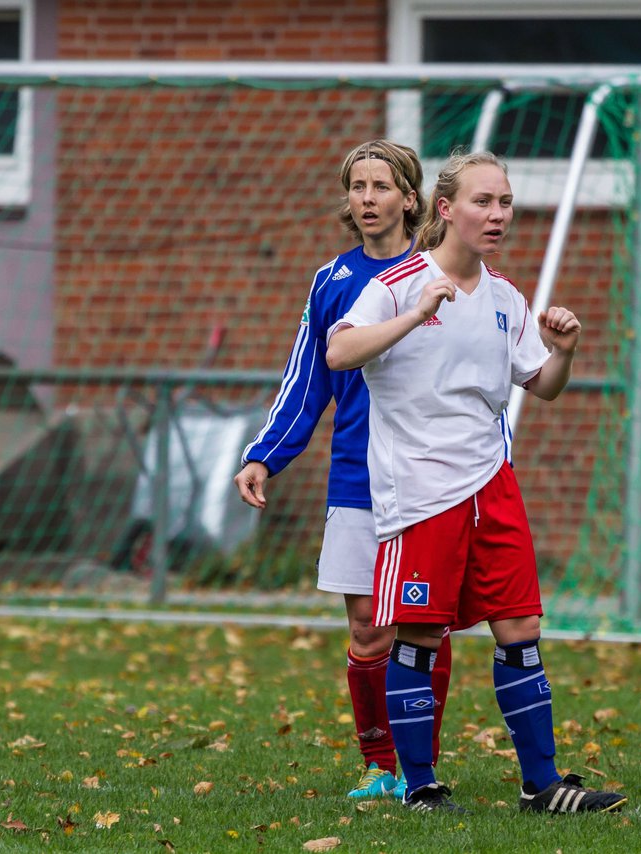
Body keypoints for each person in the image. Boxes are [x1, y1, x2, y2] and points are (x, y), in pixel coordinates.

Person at [325, 150, 627, 815]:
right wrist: (413, 314)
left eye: (505, 203)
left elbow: (541, 387)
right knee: (422, 636)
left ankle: (541, 784)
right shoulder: (400, 282)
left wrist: (564, 353)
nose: (498, 215)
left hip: (492, 482)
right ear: (444, 209)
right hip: (420, 491)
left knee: (521, 625)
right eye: (484, 202)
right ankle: (422, 786)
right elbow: (339, 351)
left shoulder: (504, 296)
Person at [234, 140, 452, 801]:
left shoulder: (440, 277)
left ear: (409, 199)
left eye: (380, 186)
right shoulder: (332, 282)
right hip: (357, 477)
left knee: (420, 624)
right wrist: (264, 455)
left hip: (427, 477)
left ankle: (421, 769)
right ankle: (380, 766)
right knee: (365, 625)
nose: (366, 198)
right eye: (356, 186)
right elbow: (306, 381)